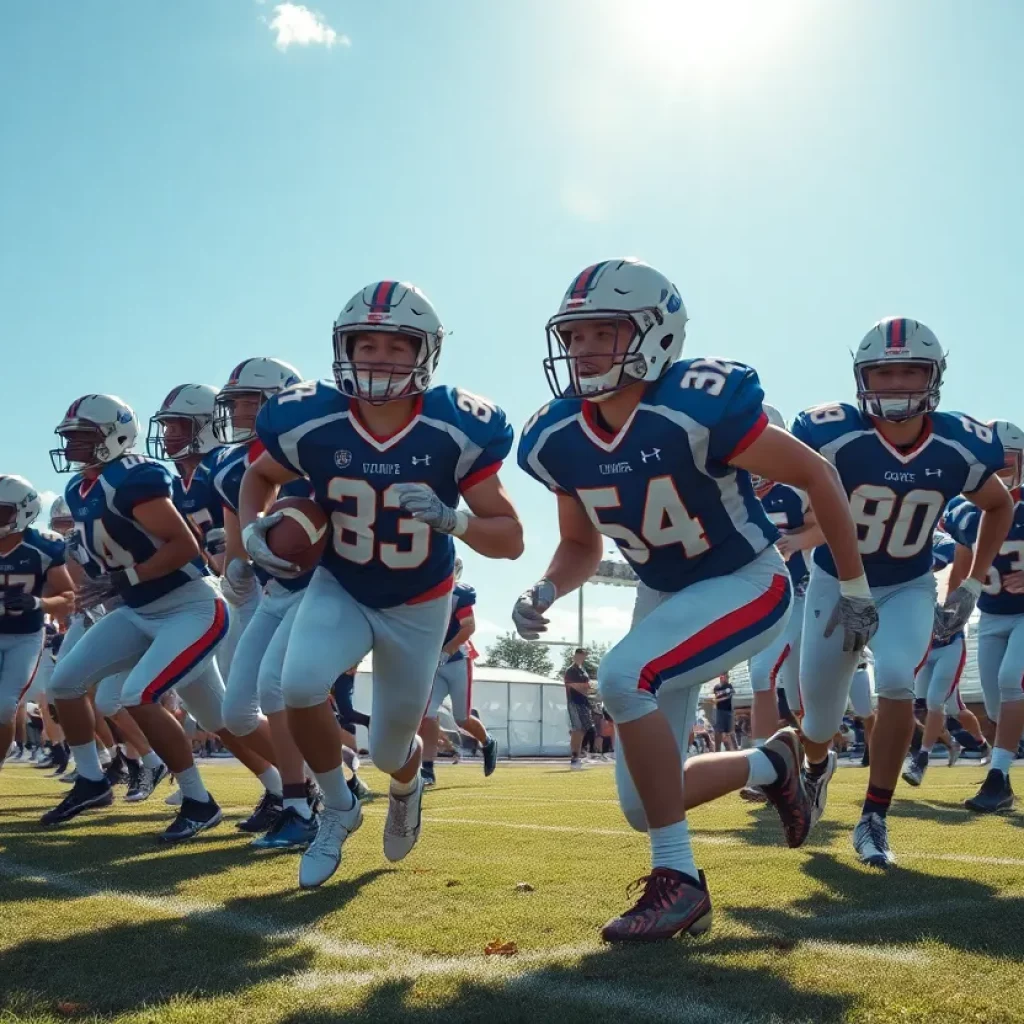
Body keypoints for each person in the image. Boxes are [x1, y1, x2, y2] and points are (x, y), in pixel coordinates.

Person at [514, 258, 872, 942]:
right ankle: (773, 764)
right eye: (576, 334)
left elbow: (817, 475)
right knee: (644, 803)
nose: (583, 349)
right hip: (665, 593)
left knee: (623, 675)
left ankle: (681, 882)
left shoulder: (697, 402)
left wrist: (852, 587)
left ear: (655, 333)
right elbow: (581, 545)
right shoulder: (557, 436)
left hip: (747, 580)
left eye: (604, 331)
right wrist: (547, 586)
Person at [239, 279, 523, 889]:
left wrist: (455, 519)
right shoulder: (310, 417)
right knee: (297, 684)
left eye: (396, 346)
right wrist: (251, 533)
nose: (379, 358)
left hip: (419, 601)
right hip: (340, 582)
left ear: (425, 353)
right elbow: (257, 476)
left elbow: (511, 538)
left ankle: (404, 785)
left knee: (395, 748)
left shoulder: (454, 424)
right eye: (366, 344)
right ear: (344, 348)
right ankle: (337, 808)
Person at [792, 318, 1012, 868]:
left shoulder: (959, 442)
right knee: (818, 719)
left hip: (909, 584)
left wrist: (969, 584)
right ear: (862, 377)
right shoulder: (835, 433)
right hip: (834, 579)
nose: (895, 385)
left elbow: (999, 504)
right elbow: (813, 508)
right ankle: (816, 770)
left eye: (909, 372)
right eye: (883, 373)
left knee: (895, 681)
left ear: (933, 376)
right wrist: (851, 585)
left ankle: (874, 816)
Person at [42, 394, 229, 841]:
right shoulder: (78, 489)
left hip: (188, 603)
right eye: (69, 437)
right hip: (138, 608)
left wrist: (124, 577)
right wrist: (101, 584)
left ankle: (199, 801)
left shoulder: (131, 478)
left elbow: (183, 546)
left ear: (113, 436)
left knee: (140, 694)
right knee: (64, 683)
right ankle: (91, 780)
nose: (71, 447)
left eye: (83, 437)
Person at [944, 420, 1024, 811]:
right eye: (989, 464)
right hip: (990, 617)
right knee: (995, 705)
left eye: (1006, 463)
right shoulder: (961, 510)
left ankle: (999, 778)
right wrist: (951, 612)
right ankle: (1001, 774)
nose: (998, 472)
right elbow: (960, 569)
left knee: (1013, 681)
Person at [0, 476, 75, 770]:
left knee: (6, 706)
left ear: (23, 511)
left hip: (24, 637)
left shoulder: (42, 548)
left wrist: (39, 603)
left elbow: (68, 597)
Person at [420, 557, 496, 786]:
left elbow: (469, 627)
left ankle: (487, 741)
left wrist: (447, 650)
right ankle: (428, 769)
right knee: (427, 714)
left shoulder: (459, 594)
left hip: (457, 661)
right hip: (434, 663)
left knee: (462, 718)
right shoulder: (423, 591)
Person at [563, 648, 593, 769]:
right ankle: (574, 756)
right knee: (577, 729)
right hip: (574, 702)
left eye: (583, 656)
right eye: (580, 655)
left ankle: (578, 755)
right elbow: (573, 686)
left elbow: (587, 686)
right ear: (575, 656)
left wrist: (589, 691)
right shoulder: (571, 670)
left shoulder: (583, 670)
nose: (582, 658)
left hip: (584, 702)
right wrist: (588, 691)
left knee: (584, 729)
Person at [711, 672, 736, 751]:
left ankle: (731, 750)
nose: (727, 678)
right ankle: (717, 750)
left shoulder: (729, 686)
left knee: (728, 732)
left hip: (728, 711)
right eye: (726, 676)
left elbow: (729, 696)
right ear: (721, 677)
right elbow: (715, 698)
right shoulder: (716, 687)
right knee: (719, 731)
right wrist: (716, 700)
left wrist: (718, 700)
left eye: (728, 676)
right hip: (719, 711)